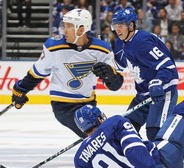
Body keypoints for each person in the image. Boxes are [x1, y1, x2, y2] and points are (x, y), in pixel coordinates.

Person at [109, 8, 184, 168]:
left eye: (121, 26)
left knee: (156, 134)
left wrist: (158, 82)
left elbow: (168, 67)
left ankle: (183, 160)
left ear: (131, 25)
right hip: (143, 94)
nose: (117, 29)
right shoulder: (120, 43)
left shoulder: (142, 42)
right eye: (115, 26)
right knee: (127, 129)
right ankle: (138, 163)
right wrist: (108, 72)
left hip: (162, 93)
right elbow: (119, 66)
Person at [11, 8, 123, 139]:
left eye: (69, 26)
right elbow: (37, 73)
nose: (64, 30)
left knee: (112, 134)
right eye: (64, 26)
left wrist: (111, 76)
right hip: (63, 106)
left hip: (89, 104)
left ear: (81, 30)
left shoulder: (102, 50)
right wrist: (20, 89)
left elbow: (115, 86)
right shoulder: (54, 47)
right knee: (101, 137)